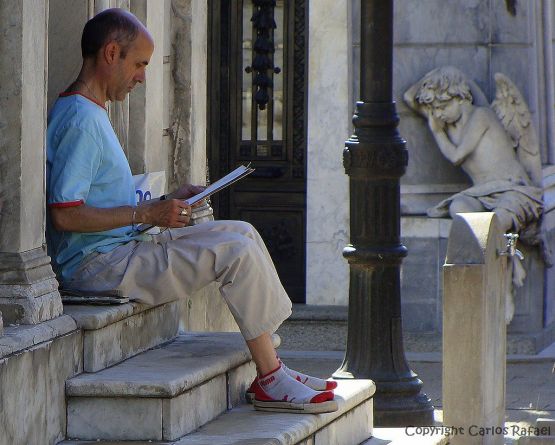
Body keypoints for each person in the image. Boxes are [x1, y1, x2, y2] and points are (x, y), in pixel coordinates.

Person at [46, 8, 337, 414]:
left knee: (242, 233)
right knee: (232, 250)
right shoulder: (79, 118)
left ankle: (275, 367)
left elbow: (97, 198)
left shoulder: (91, 112)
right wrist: (147, 215)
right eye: (139, 64)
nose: (142, 77)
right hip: (98, 265)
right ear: (111, 53)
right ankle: (271, 378)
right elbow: (65, 214)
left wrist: (166, 200)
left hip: (121, 250)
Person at [403, 66, 543, 234]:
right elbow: (409, 98)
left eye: (442, 107)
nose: (437, 115)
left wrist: (438, 132)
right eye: (434, 109)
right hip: (480, 195)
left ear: (460, 97)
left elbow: (456, 156)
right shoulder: (449, 124)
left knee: (499, 220)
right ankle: (486, 252)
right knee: (458, 207)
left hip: (511, 190)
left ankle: (499, 254)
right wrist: (435, 77)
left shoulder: (481, 116)